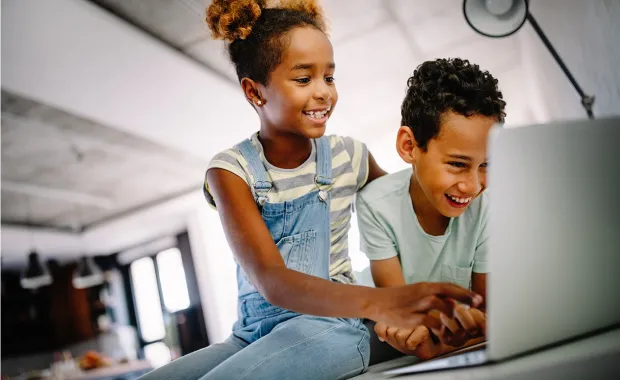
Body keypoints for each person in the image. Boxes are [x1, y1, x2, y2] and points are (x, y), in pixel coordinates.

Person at [140, 3, 482, 379]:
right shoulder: (231, 172)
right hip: (252, 335)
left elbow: (406, 207)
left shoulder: (350, 156)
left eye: (329, 78)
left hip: (331, 327)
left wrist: (455, 171)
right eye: (304, 80)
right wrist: (384, 302)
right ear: (255, 92)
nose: (323, 93)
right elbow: (274, 282)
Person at [356, 58, 506, 360]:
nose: (473, 186)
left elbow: (489, 312)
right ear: (410, 146)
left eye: (486, 165)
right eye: (457, 164)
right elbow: (405, 319)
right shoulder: (375, 203)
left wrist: (481, 324)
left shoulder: (488, 208)